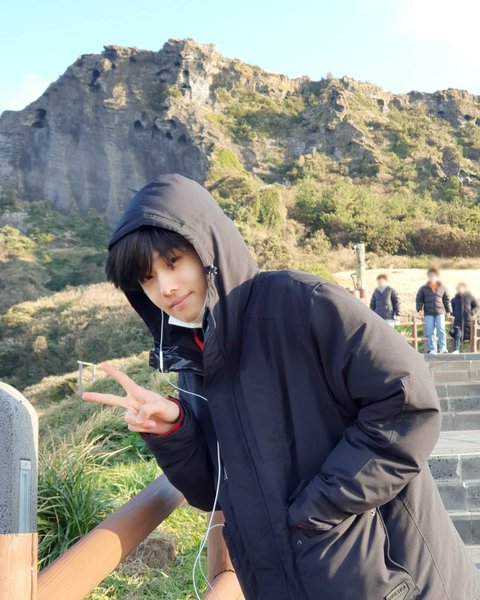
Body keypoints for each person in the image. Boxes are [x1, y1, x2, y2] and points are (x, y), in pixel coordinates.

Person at [82, 174, 478, 600]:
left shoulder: (303, 304)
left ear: (208, 248)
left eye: (174, 262)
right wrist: (175, 430)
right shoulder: (195, 361)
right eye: (147, 278)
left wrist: (316, 509)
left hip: (389, 580)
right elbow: (212, 490)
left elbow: (408, 403)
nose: (166, 287)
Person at [416, 268, 452, 354]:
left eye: (433, 276)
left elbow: (447, 299)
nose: (432, 277)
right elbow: (419, 299)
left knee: (441, 328)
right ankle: (433, 349)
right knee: (430, 331)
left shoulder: (443, 288)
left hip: (440, 312)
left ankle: (443, 348)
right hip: (428, 313)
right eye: (430, 276)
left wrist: (448, 310)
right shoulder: (423, 288)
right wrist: (419, 309)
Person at [451, 283, 478, 354]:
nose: (459, 290)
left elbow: (476, 307)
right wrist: (453, 314)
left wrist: (471, 312)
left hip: (468, 321)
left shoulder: (470, 298)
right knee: (457, 335)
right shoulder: (454, 300)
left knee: (471, 337)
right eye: (458, 288)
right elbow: (450, 308)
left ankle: (473, 351)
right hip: (457, 321)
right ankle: (456, 350)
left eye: (460, 288)